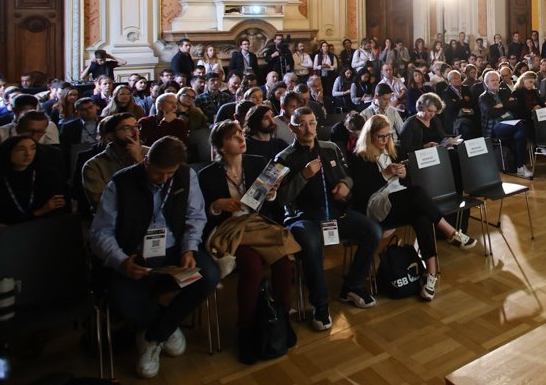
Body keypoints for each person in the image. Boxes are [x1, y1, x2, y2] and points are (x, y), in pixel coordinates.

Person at [90, 136, 220, 379]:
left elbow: (195, 217)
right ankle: (164, 327)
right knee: (123, 302)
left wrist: (189, 248)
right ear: (147, 162)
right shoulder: (121, 184)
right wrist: (121, 261)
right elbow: (100, 233)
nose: (164, 179)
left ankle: (154, 335)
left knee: (209, 275)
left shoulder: (185, 175)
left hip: (174, 248)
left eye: (170, 174)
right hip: (133, 253)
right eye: (159, 173)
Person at [349, 115, 477, 302]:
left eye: (388, 136)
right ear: (369, 136)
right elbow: (362, 192)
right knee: (417, 194)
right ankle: (451, 232)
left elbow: (405, 183)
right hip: (375, 204)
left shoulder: (393, 151)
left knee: (422, 216)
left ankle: (431, 276)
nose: (385, 141)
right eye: (380, 137)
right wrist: (385, 174)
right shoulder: (359, 157)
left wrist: (403, 173)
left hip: (398, 199)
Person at [199, 120, 297, 362]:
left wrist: (272, 191)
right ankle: (247, 329)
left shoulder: (256, 162)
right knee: (252, 267)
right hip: (229, 230)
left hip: (257, 224)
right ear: (220, 147)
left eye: (241, 134)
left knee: (284, 262)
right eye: (233, 137)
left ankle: (281, 319)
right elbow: (200, 214)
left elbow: (268, 204)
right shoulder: (207, 174)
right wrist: (217, 205)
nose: (241, 139)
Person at [276, 108, 382, 329]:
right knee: (312, 244)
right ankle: (320, 304)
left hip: (335, 213)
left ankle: (352, 286)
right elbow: (280, 199)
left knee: (372, 230)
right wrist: (303, 176)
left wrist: (345, 185)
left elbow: (347, 176)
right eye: (302, 124)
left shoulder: (330, 148)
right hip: (303, 219)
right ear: (292, 127)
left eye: (312, 123)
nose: (309, 129)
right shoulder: (283, 158)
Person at [0, 134, 68, 226]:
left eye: (33, 148)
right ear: (8, 152)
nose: (28, 154)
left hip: (44, 231)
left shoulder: (49, 176)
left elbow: (59, 210)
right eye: (21, 149)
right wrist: (39, 212)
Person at [479, 70, 532, 178]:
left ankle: (520, 167)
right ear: (486, 83)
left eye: (497, 80)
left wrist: (502, 105)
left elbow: (516, 105)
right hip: (496, 127)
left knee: (520, 136)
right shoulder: (483, 97)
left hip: (512, 124)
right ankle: (540, 145)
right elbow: (491, 113)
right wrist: (507, 107)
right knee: (521, 124)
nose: (495, 82)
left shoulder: (504, 92)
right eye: (492, 80)